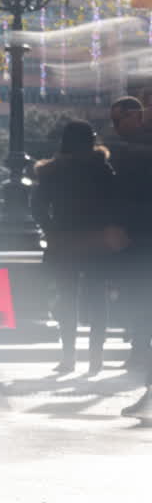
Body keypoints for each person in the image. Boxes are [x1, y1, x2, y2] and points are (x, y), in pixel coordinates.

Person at [31, 120, 126, 375]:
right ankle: (96, 357)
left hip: (63, 241)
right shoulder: (102, 169)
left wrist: (50, 229)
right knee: (97, 298)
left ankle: (68, 356)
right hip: (96, 241)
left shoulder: (52, 171)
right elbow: (117, 202)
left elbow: (38, 206)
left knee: (66, 297)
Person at [105, 97, 152, 370]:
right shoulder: (122, 149)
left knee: (139, 292)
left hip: (137, 232)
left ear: (136, 116)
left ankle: (140, 349)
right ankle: (140, 347)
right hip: (133, 232)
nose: (115, 126)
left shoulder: (128, 151)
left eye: (118, 119)